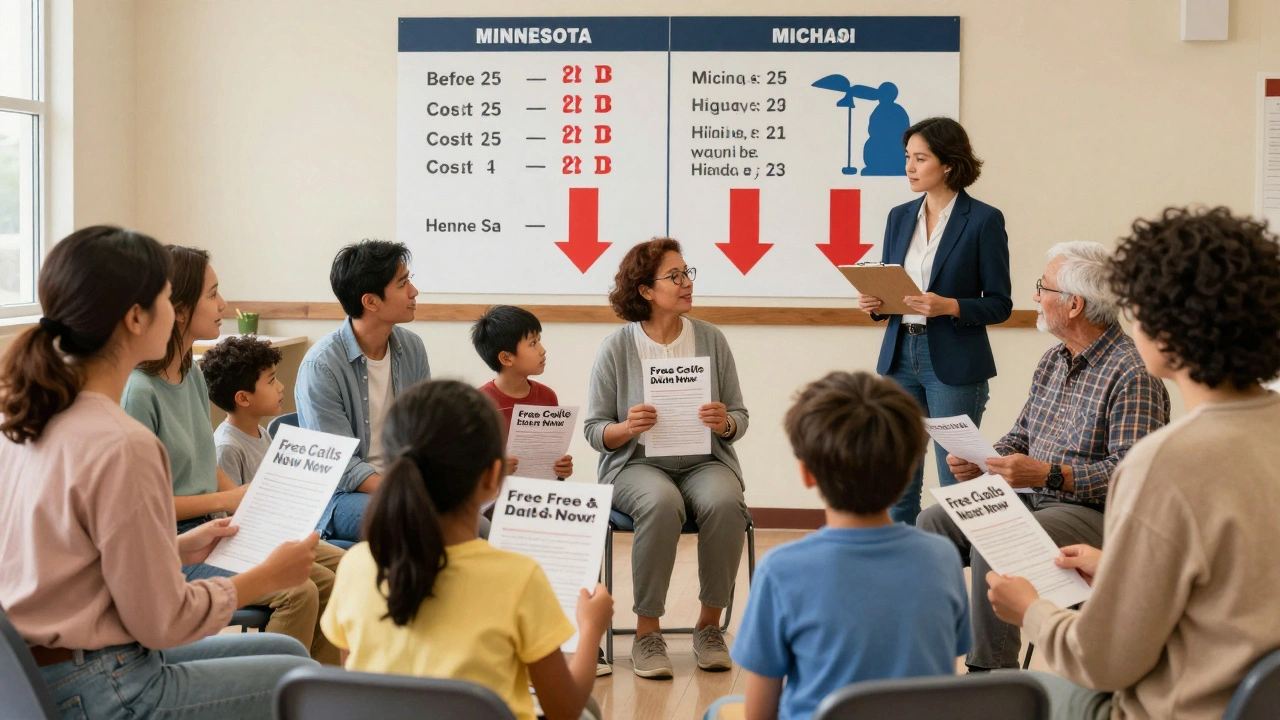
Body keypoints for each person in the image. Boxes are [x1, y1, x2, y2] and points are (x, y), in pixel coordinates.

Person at [0, 226, 319, 720]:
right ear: (135, 318)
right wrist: (265, 577)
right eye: (169, 298)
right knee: (299, 683)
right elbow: (164, 622)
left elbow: (62, 563)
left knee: (293, 658)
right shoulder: (122, 443)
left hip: (35, 677)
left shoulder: (22, 417)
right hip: (104, 683)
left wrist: (174, 547)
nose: (175, 312)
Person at [987, 207, 1280, 720]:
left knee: (1018, 702)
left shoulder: (1163, 465)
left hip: (1180, 709)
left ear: (1166, 326)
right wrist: (1116, 567)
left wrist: (1030, 612)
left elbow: (1101, 663)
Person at [918, 241, 1169, 672]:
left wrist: (1049, 475)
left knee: (997, 535)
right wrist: (985, 459)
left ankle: (991, 674)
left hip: (1094, 514)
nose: (1035, 296)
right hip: (1035, 498)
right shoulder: (1053, 359)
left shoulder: (1133, 373)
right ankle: (927, 655)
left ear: (1074, 305)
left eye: (1043, 287)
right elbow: (1020, 436)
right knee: (930, 524)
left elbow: (1131, 476)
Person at [321, 380, 611, 720]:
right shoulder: (517, 577)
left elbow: (356, 686)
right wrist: (591, 627)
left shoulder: (357, 564)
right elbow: (564, 708)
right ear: (493, 476)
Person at [122, 246, 345, 663]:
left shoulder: (190, 371)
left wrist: (250, 498)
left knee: (342, 569)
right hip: (175, 543)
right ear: (182, 309)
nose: (223, 304)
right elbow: (140, 510)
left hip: (215, 524)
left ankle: (315, 693)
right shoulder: (139, 391)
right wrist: (229, 500)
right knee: (299, 592)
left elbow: (205, 465)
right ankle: (276, 694)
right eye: (213, 294)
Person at [705, 371, 970, 720]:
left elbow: (760, 712)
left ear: (806, 473)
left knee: (719, 710)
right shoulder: (942, 557)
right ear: (910, 471)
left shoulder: (781, 569)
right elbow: (941, 677)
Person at [585, 238, 749, 679]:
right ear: (645, 291)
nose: (686, 283)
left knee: (725, 503)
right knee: (661, 504)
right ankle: (647, 634)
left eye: (687, 273)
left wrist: (724, 423)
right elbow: (594, 430)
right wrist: (625, 427)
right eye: (674, 276)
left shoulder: (711, 338)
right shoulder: (617, 347)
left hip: (704, 461)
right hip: (636, 465)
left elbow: (740, 416)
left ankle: (709, 628)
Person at [857, 116, 1012, 524]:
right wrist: (876, 302)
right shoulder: (899, 216)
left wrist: (951, 306)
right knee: (898, 478)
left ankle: (960, 578)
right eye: (907, 157)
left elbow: (1000, 303)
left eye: (920, 158)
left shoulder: (983, 220)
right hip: (899, 357)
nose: (909, 166)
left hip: (954, 360)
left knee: (958, 478)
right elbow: (896, 290)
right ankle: (902, 573)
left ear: (947, 163)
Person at [295, 240, 430, 545]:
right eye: (403, 283)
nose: (414, 292)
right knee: (416, 526)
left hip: (404, 485)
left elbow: (426, 432)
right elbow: (338, 467)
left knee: (479, 528)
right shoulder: (322, 366)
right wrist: (404, 492)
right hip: (341, 496)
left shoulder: (412, 348)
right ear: (371, 302)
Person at [471, 305, 573, 479]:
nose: (542, 349)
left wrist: (561, 469)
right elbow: (468, 465)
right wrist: (496, 470)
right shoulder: (479, 403)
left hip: (540, 493)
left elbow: (550, 456)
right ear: (506, 358)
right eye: (533, 343)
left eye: (539, 340)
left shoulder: (547, 396)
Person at [202, 335, 284, 486]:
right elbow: (231, 506)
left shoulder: (261, 433)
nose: (281, 387)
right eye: (272, 381)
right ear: (243, 398)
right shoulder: (227, 448)